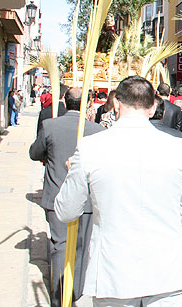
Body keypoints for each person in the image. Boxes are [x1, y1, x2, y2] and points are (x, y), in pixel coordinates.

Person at [54, 76, 182, 307]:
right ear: (153, 108)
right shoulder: (178, 149)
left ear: (117, 104)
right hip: (167, 271)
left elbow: (65, 210)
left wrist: (72, 174)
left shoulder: (91, 148)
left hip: (114, 273)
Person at [29, 87, 105, 307]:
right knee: (81, 248)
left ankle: (62, 297)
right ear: (87, 103)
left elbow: (35, 153)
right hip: (86, 200)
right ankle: (75, 292)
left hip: (56, 194)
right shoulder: (96, 130)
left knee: (60, 245)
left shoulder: (51, 126)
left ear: (65, 101)